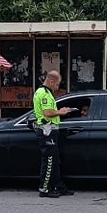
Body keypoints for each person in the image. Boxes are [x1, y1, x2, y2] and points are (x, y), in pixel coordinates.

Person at [32, 70, 75, 198]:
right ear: (51, 82)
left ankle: (59, 186)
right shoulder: (44, 93)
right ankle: (44, 189)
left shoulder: (44, 92)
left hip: (50, 130)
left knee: (55, 160)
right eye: (57, 84)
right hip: (47, 130)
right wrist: (61, 112)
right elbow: (47, 113)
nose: (57, 87)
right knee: (49, 160)